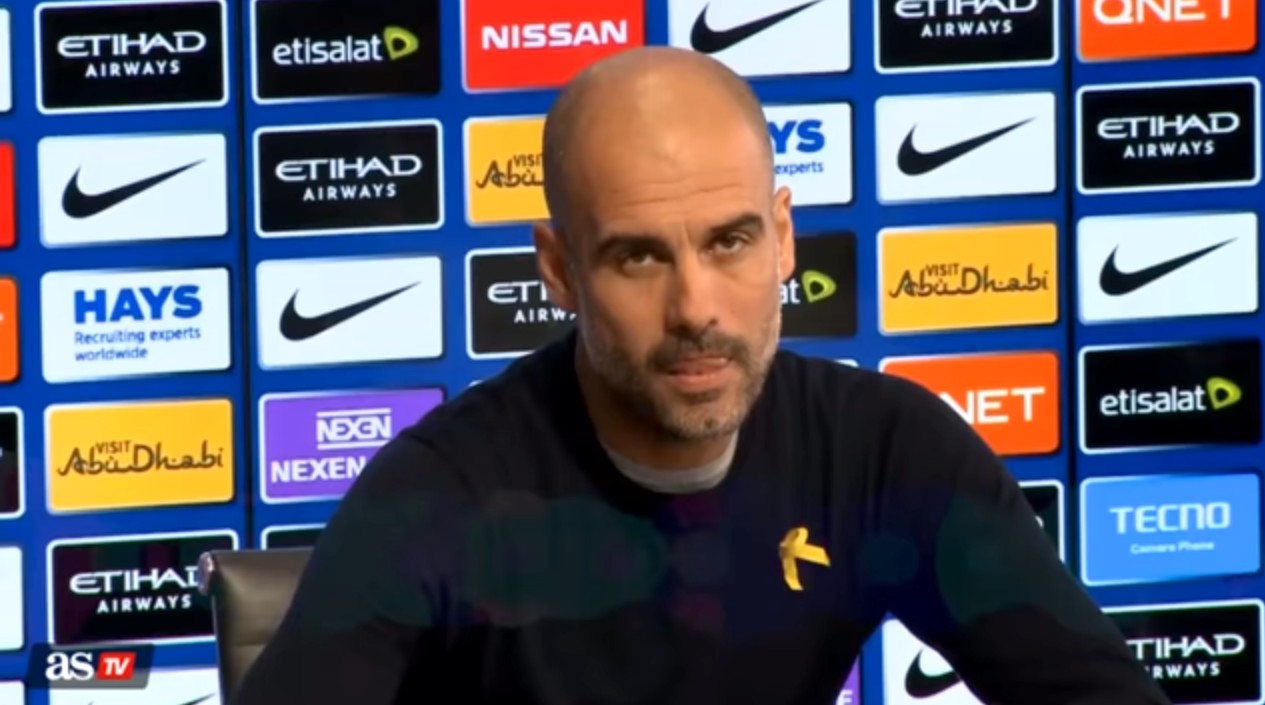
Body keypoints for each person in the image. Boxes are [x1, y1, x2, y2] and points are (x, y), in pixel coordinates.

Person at [232, 47, 1170, 705]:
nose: (695, 307)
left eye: (729, 242)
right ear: (558, 269)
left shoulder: (887, 451)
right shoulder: (438, 493)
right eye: (638, 257)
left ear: (783, 238)